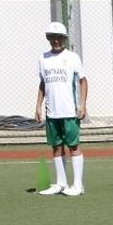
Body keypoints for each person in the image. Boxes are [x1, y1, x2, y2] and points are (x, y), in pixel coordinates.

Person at [34, 21, 88, 196]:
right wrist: (38, 106)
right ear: (48, 38)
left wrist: (82, 105)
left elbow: (83, 80)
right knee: (56, 147)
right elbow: (43, 83)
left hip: (69, 111)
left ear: (64, 38)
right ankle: (61, 183)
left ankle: (78, 185)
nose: (55, 40)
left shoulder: (73, 57)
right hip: (52, 111)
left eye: (59, 37)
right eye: (52, 37)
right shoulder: (43, 58)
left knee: (73, 146)